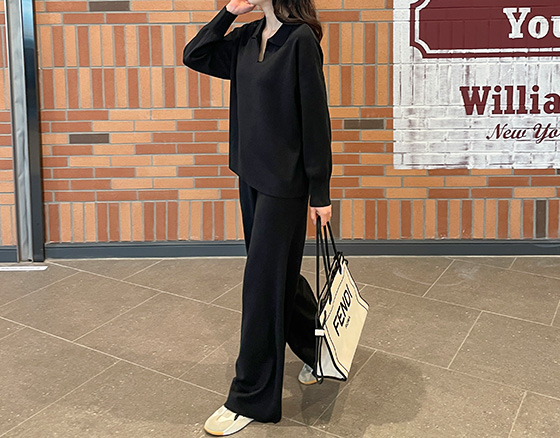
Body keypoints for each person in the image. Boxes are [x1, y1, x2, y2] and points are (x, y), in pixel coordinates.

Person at [183, 0, 332, 434]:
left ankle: (251, 397)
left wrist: (319, 190)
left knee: (261, 285)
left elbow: (315, 117)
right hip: (250, 175)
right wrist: (229, 12)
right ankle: (319, 351)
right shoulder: (247, 37)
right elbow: (195, 55)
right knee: (276, 275)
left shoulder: (300, 41)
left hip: (285, 186)